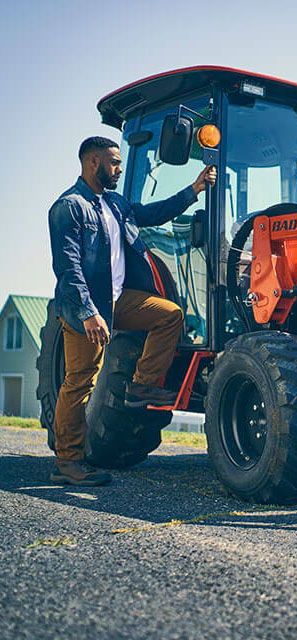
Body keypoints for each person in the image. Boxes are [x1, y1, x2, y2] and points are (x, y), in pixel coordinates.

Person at [47, 136, 216, 486]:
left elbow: (154, 214)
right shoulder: (69, 206)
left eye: (120, 163)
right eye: (114, 162)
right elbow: (69, 268)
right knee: (80, 382)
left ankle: (141, 386)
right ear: (93, 162)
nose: (119, 169)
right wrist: (89, 312)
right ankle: (68, 462)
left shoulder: (116, 204)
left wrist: (194, 189)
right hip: (86, 307)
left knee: (169, 315)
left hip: (120, 300)